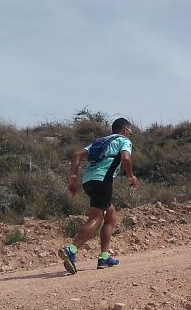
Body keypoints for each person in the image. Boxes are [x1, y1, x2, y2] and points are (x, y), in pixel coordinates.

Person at [58, 117, 137, 273]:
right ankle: (71, 250)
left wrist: (73, 179)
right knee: (97, 218)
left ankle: (104, 256)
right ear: (124, 130)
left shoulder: (100, 141)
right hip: (103, 181)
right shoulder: (123, 140)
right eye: (130, 132)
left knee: (110, 215)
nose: (130, 134)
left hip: (88, 181)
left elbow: (76, 155)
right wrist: (131, 177)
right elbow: (126, 158)